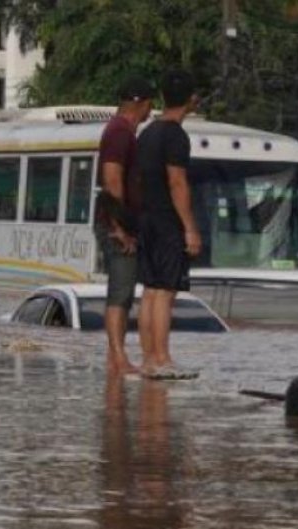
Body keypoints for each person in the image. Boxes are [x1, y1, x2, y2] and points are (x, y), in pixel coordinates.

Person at [136, 70, 201, 379]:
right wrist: (189, 227)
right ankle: (162, 359)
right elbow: (177, 183)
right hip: (166, 221)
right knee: (165, 291)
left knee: (150, 290)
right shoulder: (176, 136)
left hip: (145, 219)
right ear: (192, 100)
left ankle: (149, 358)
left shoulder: (146, 132)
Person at [96, 77, 153, 377]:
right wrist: (119, 227)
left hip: (118, 220)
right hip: (116, 224)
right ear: (142, 104)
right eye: (149, 105)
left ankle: (114, 358)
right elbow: (112, 179)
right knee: (120, 292)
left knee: (124, 290)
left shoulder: (121, 132)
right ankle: (118, 358)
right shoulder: (120, 132)